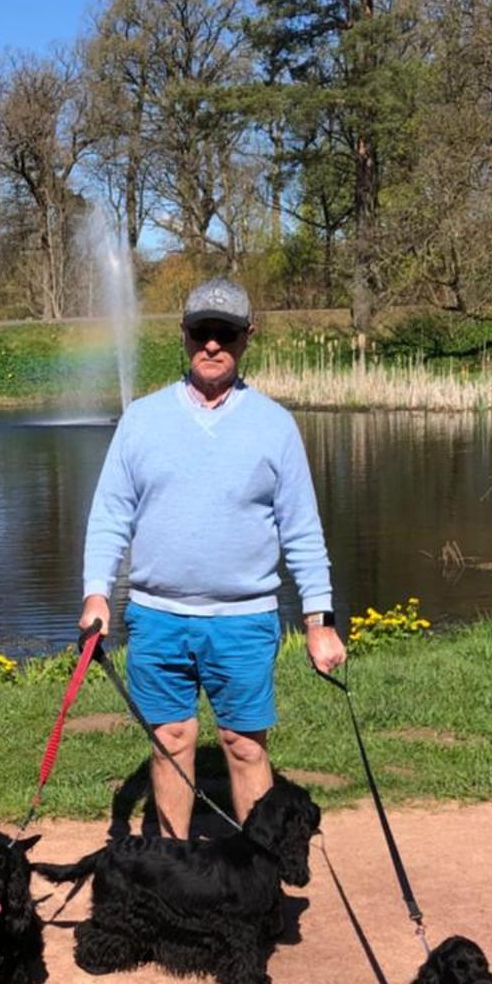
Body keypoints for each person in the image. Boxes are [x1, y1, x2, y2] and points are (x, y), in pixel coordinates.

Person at [79, 276, 347, 838]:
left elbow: (302, 531)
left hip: (244, 620)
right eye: (202, 331)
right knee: (171, 742)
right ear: (184, 334)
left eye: (225, 333)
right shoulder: (142, 421)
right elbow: (110, 516)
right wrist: (97, 594)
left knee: (244, 747)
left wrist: (319, 620)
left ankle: (257, 879)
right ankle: (174, 872)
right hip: (157, 617)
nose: (212, 345)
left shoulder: (274, 425)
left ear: (247, 337)